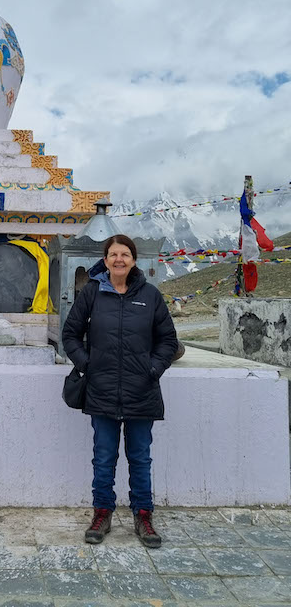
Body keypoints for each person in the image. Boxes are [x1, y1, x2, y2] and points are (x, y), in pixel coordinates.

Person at [62, 234, 178, 548]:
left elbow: (168, 341)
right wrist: (88, 364)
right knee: (103, 458)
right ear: (106, 259)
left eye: (125, 254)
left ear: (134, 260)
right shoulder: (92, 293)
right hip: (101, 390)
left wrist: (153, 369)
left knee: (140, 457)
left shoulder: (151, 296)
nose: (119, 260)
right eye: (113, 254)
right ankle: (102, 513)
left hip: (142, 391)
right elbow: (70, 334)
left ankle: (143, 515)